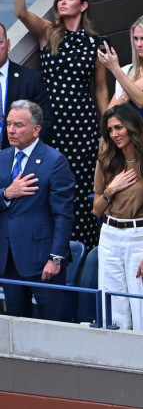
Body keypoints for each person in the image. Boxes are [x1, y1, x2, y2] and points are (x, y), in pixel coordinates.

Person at [11, 0, 107, 249]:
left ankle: (84, 250)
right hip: (54, 122)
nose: (62, 2)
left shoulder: (96, 43)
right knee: (52, 183)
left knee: (83, 185)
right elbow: (19, 12)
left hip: (84, 123)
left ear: (83, 4)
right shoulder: (50, 32)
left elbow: (101, 88)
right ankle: (54, 249)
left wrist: (105, 128)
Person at [92, 104, 143, 332]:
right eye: (110, 130)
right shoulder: (106, 160)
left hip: (141, 236)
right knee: (112, 310)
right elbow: (96, 209)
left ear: (132, 127)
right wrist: (111, 190)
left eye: (119, 128)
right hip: (109, 235)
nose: (114, 135)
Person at [0, 100, 74, 321]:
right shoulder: (2, 158)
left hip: (43, 260)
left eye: (19, 125)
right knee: (16, 325)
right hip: (8, 259)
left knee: (51, 326)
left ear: (36, 130)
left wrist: (56, 258)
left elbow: (63, 215)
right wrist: (6, 194)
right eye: (9, 124)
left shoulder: (55, 161)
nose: (11, 130)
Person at [99, 14, 143, 138]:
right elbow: (108, 114)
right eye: (135, 39)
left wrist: (115, 68)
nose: (138, 44)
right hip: (128, 141)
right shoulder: (127, 71)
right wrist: (130, 89)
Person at [0, 23, 53, 148]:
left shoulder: (31, 79)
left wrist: (26, 154)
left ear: (8, 44)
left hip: (19, 157)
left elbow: (45, 122)